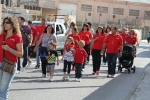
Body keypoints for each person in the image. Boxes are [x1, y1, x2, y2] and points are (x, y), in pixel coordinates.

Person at [0, 17, 23, 100]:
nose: (4, 24)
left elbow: (20, 54)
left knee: (3, 89)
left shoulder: (17, 37)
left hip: (9, 64)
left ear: (12, 24)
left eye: (7, 22)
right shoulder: (1, 36)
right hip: (0, 62)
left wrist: (9, 49)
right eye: (4, 22)